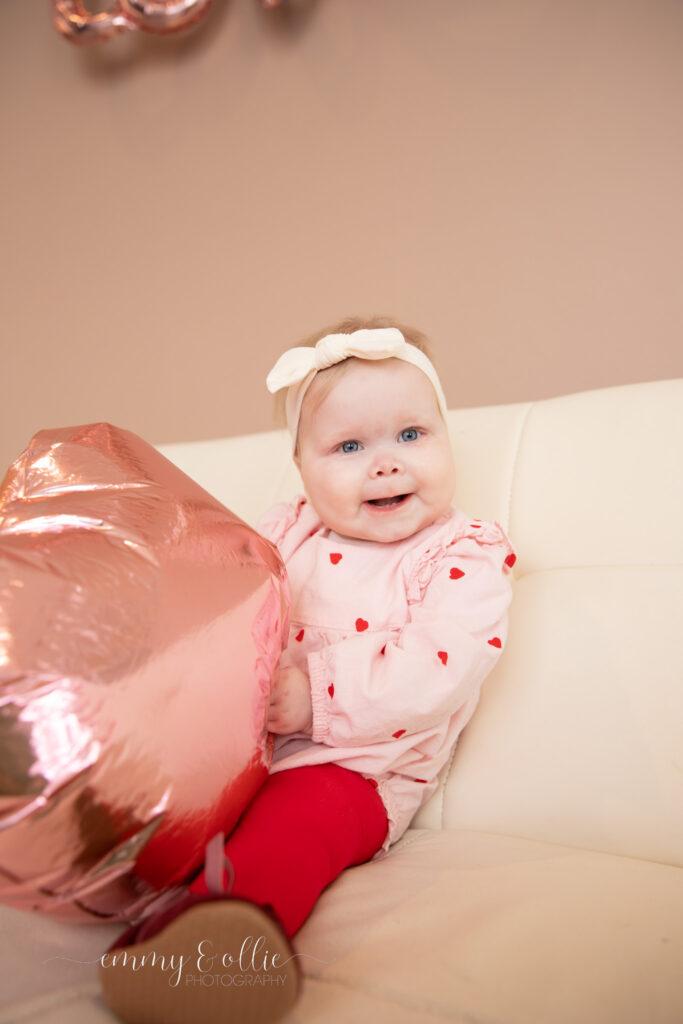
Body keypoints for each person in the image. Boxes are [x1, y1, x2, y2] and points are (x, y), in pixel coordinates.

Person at [99, 316, 516, 1024]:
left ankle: (221, 958)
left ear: (447, 438)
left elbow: (438, 666)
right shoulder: (285, 531)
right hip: (248, 751)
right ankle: (134, 898)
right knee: (159, 801)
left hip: (357, 772)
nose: (385, 462)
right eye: (348, 445)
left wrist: (315, 698)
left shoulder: (464, 553)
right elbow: (228, 607)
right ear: (303, 469)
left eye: (411, 434)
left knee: (290, 833)